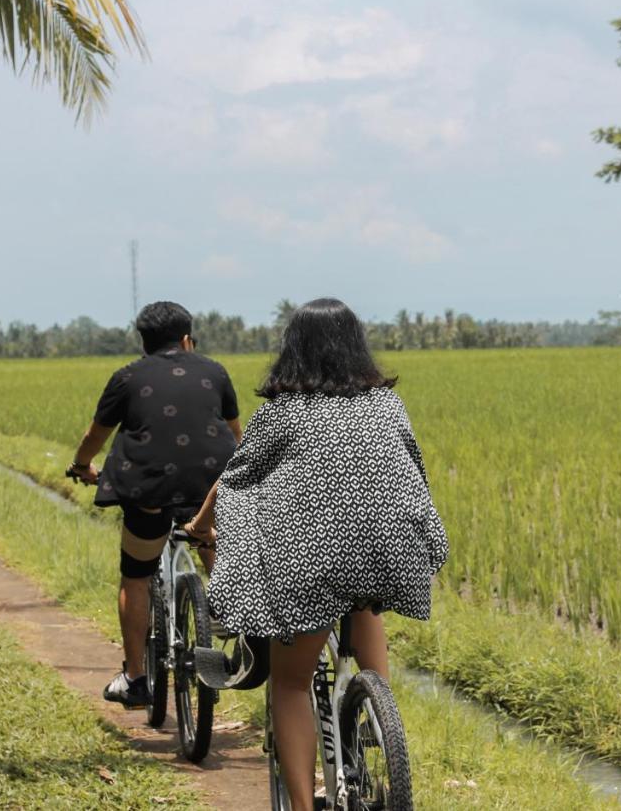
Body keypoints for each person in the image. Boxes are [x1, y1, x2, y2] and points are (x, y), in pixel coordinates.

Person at [188, 297, 448, 809]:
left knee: (290, 683)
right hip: (392, 544)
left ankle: (306, 805)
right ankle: (377, 710)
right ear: (357, 347)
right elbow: (412, 466)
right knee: (365, 596)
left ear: (293, 350)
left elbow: (235, 477)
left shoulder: (283, 410)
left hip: (311, 559)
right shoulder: (387, 404)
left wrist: (201, 528)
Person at [69, 301, 241, 709]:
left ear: (143, 343)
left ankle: (135, 678)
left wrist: (80, 466)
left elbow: (97, 435)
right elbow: (235, 434)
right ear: (187, 339)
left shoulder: (127, 377)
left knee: (136, 574)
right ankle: (225, 611)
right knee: (208, 532)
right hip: (208, 484)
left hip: (148, 487)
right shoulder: (214, 371)